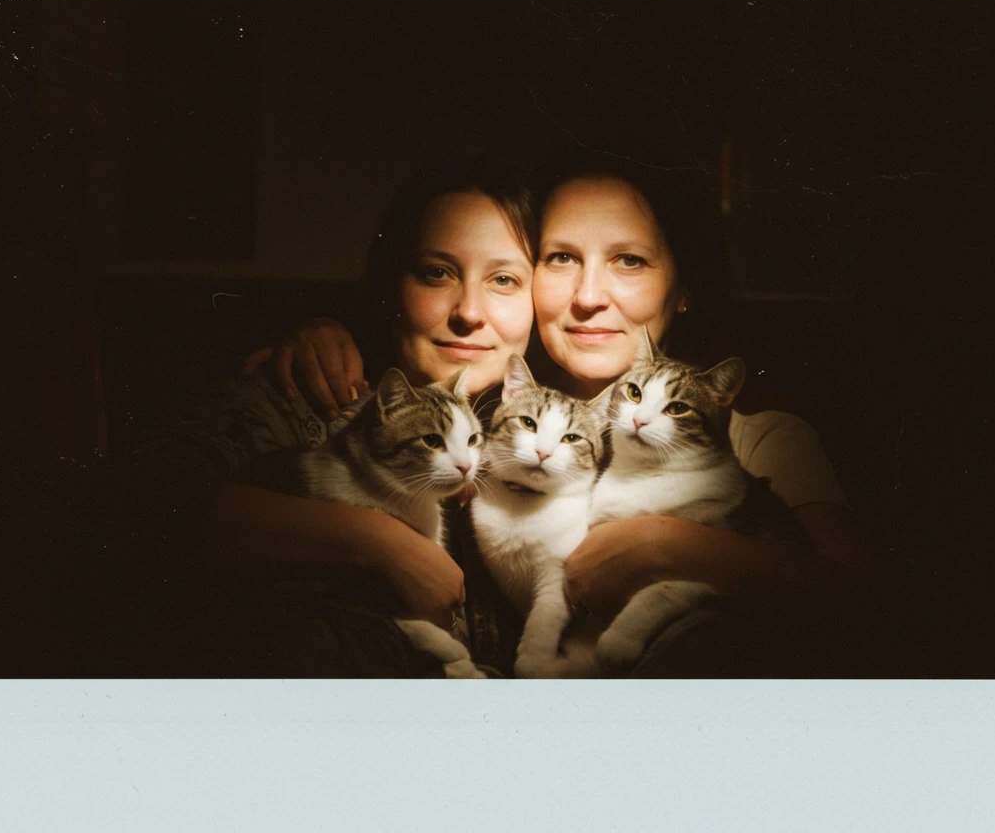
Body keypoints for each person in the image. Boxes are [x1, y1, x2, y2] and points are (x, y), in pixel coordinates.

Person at [258, 141, 881, 676]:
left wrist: (670, 545)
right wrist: (319, 333)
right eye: (560, 258)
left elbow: (869, 609)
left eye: (629, 260)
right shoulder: (483, 416)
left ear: (683, 287)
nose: (587, 296)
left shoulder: (758, 440)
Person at [121, 157, 536, 676]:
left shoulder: (548, 438)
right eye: (436, 273)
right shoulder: (304, 395)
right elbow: (131, 508)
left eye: (504, 279)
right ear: (391, 289)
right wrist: (371, 542)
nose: (469, 311)